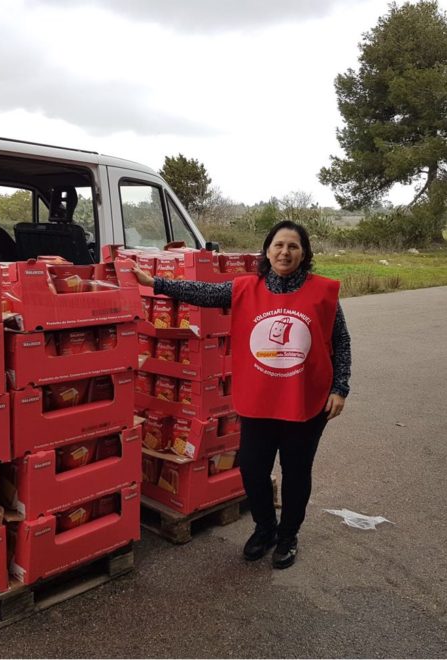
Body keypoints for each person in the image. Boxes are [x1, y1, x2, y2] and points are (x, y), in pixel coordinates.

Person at [133, 221, 351, 569]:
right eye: (279, 245)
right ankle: (265, 528)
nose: (285, 252)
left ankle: (288, 536)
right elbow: (203, 292)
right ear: (267, 250)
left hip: (306, 400)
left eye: (293, 246)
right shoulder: (245, 288)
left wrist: (340, 387)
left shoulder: (323, 292)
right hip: (260, 399)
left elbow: (341, 341)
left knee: (296, 472)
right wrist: (155, 282)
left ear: (304, 253)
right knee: (251, 468)